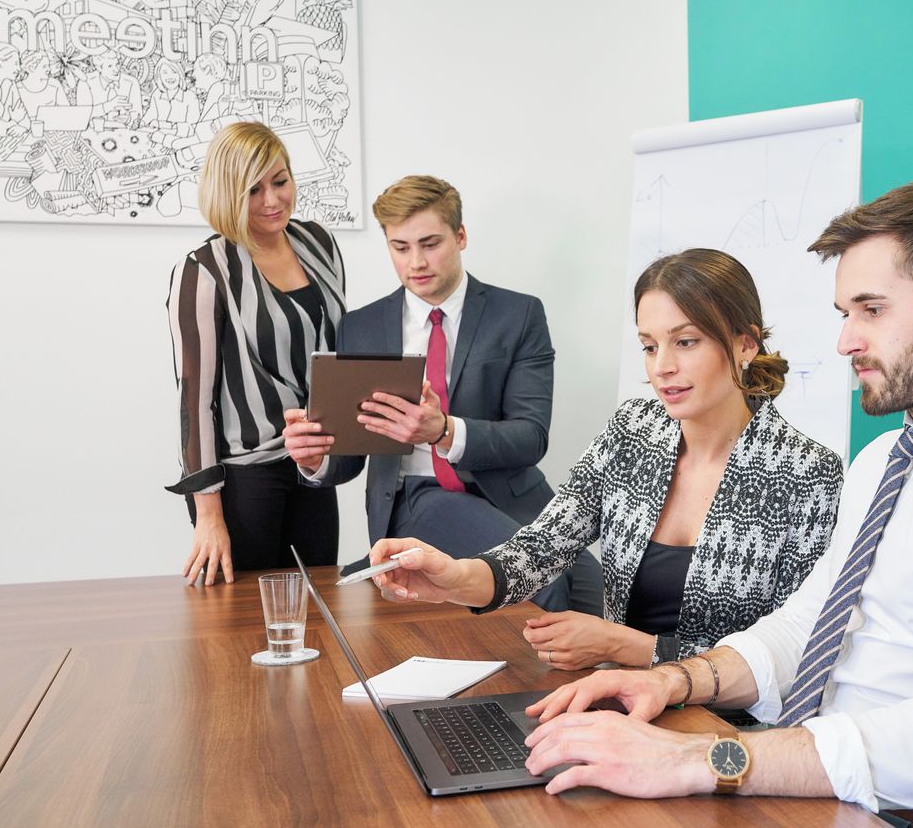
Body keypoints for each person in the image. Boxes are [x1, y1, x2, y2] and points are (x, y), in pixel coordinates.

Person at [378, 183, 913, 826]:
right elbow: (803, 628)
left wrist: (703, 757)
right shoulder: (886, 461)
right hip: (810, 774)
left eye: (869, 310)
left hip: (905, 811)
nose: (844, 341)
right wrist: (669, 680)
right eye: (844, 312)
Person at [361, 248, 844, 671]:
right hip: (622, 703)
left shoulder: (808, 474)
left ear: (745, 343)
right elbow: (539, 549)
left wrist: (624, 646)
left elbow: (790, 656)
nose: (662, 367)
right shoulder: (632, 431)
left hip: (729, 727)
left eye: (686, 341)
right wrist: (452, 578)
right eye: (649, 346)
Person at [283, 175, 602, 613]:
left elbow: (531, 437)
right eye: (400, 247)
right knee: (542, 581)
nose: (416, 262)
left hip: (512, 495)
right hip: (418, 496)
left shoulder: (519, 314)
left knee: (597, 594)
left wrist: (444, 431)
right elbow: (351, 455)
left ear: (460, 236)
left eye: (430, 244)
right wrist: (315, 458)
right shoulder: (362, 326)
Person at [166, 121, 346, 585]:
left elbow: (336, 353)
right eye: (253, 190)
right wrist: (209, 515)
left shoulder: (320, 245)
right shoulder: (205, 269)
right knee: (242, 619)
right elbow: (194, 403)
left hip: (314, 463)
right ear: (228, 193)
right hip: (244, 480)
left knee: (319, 604)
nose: (272, 200)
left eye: (280, 181)